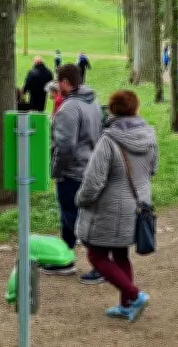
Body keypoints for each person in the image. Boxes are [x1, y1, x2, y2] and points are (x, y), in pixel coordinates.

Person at [76, 90, 156, 322]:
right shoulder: (150, 137)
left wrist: (81, 199)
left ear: (111, 110)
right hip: (139, 205)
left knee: (96, 255)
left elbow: (93, 182)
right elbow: (152, 169)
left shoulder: (108, 141)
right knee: (121, 253)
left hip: (110, 208)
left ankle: (134, 295)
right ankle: (126, 305)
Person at [46, 64, 104, 283]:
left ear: (64, 83)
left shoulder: (69, 109)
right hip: (90, 168)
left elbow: (65, 147)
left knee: (74, 218)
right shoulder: (93, 102)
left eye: (58, 81)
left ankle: (101, 264)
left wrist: (56, 170)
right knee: (72, 217)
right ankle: (65, 259)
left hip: (73, 172)